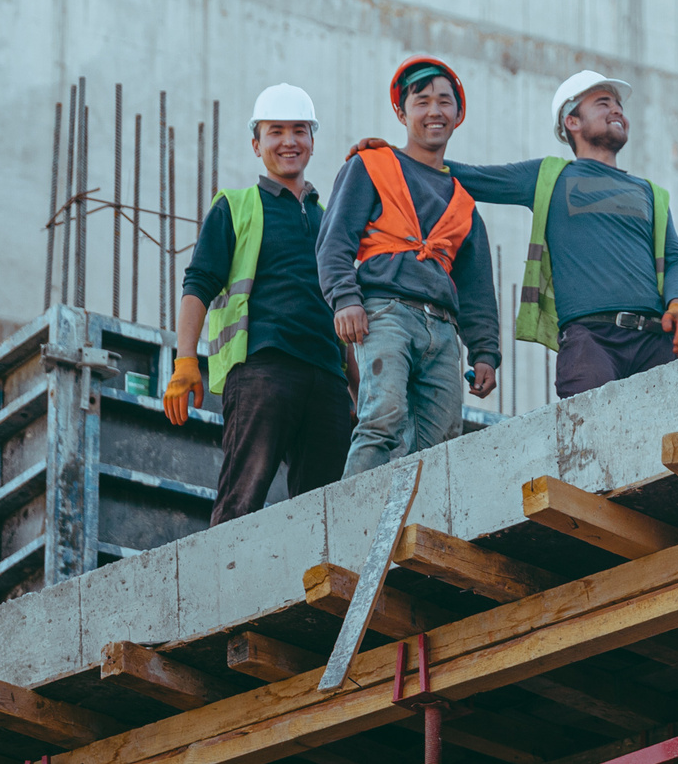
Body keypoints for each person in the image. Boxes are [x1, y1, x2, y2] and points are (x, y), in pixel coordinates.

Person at [165, 82, 354, 525]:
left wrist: (356, 390)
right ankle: (221, 588)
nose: (289, 141)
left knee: (325, 513)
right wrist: (185, 361)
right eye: (276, 132)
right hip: (262, 368)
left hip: (326, 378)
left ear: (312, 141)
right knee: (242, 498)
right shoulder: (236, 207)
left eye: (299, 131)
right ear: (257, 144)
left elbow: (343, 308)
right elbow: (198, 284)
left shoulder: (330, 220)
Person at [449, 71, 678, 398]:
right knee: (592, 435)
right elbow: (470, 177)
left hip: (654, 341)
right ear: (572, 121)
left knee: (671, 434)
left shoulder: (651, 194)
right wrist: (395, 159)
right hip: (589, 341)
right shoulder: (549, 177)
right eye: (603, 103)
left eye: (620, 105)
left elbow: (676, 258)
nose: (617, 110)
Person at [316, 55, 501, 472]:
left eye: (444, 102)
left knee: (441, 443)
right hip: (386, 314)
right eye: (422, 102)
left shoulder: (463, 201)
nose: (434, 111)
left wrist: (485, 352)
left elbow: (477, 288)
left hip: (443, 329)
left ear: (458, 114)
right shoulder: (370, 165)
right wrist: (345, 299)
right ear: (401, 112)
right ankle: (354, 528)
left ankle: (416, 531)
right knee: (383, 419)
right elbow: (335, 240)